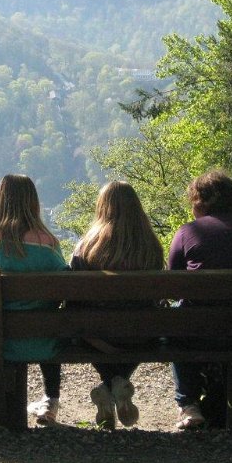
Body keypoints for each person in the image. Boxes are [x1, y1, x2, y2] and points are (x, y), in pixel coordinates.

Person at [168, 171, 232, 429]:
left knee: (173, 319)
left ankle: (189, 403)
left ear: (201, 203)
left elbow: (172, 285)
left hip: (200, 330)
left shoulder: (188, 232)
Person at [0, 174, 67, 425]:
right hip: (38, 342)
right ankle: (51, 399)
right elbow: (63, 291)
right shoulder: (48, 246)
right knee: (47, 322)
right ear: (33, 203)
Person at [69, 181, 164, 428]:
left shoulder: (86, 246)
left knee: (90, 324)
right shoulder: (151, 246)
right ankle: (118, 382)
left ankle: (109, 384)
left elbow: (73, 299)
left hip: (94, 336)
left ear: (102, 208)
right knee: (132, 329)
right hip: (142, 335)